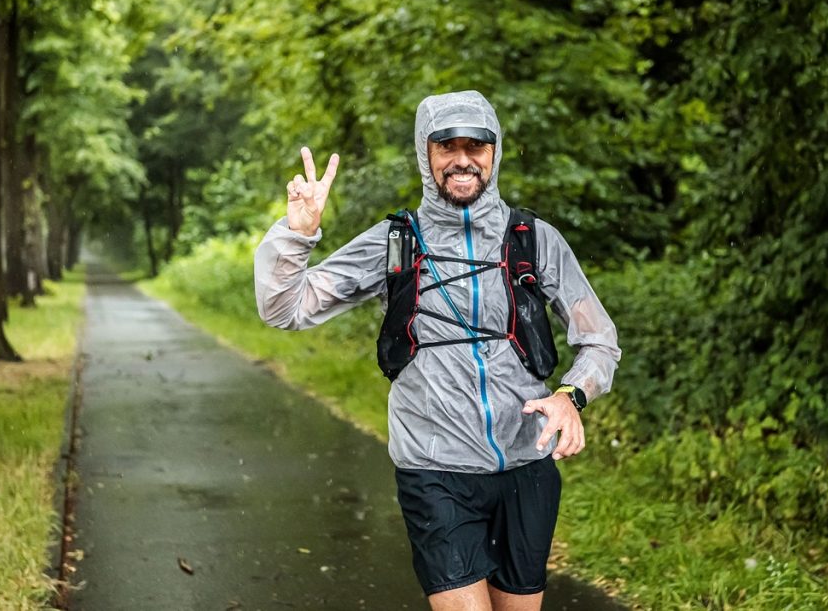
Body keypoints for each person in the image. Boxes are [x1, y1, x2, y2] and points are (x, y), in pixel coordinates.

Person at [254, 90, 620, 611]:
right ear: (426, 156)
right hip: (434, 470)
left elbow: (599, 340)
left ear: (494, 153)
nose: (463, 159)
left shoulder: (533, 239)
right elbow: (284, 308)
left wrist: (571, 396)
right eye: (448, 146)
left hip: (526, 467)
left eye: (477, 145)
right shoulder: (394, 243)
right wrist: (298, 234)